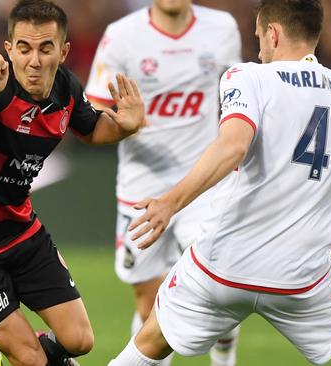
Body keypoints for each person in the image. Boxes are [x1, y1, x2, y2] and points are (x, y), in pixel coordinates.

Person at [108, 0, 331, 365]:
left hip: (224, 267)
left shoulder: (247, 77)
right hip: (302, 280)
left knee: (149, 343)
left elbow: (233, 145)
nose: (259, 47)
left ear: (274, 34)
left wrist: (170, 202)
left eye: (260, 36)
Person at [0, 1, 145, 366]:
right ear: (9, 49)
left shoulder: (66, 89)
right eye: (24, 48)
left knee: (80, 340)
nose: (35, 60)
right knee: (30, 358)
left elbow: (90, 129)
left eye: (45, 48)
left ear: (63, 50)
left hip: (19, 229)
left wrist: (125, 126)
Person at [85, 1, 242, 365]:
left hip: (202, 183)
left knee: (219, 286)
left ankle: (225, 355)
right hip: (141, 186)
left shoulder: (223, 28)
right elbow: (91, 111)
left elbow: (237, 97)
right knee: (149, 300)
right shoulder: (121, 37)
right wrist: (127, 122)